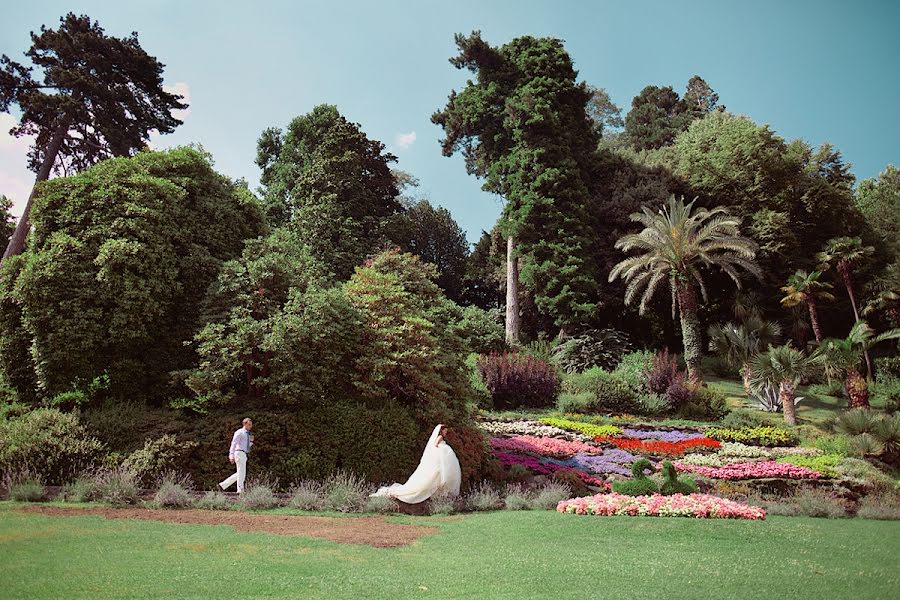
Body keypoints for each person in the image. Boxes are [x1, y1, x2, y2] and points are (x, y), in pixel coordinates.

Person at [370, 424, 461, 503]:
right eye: (445, 431)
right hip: (439, 457)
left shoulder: (440, 437)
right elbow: (436, 445)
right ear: (441, 431)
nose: (446, 432)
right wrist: (443, 449)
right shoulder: (440, 437)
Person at [219, 418, 254, 494]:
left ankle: (223, 484)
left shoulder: (248, 434)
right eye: (249, 424)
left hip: (244, 453)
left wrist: (251, 441)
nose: (250, 426)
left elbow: (246, 446)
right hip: (239, 452)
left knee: (241, 472)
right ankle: (240, 490)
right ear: (244, 424)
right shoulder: (239, 432)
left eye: (251, 425)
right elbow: (233, 443)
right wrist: (231, 455)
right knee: (241, 472)